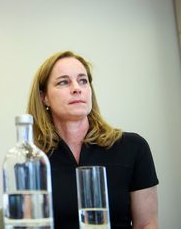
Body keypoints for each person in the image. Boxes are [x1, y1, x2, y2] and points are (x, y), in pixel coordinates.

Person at [26, 51, 159, 229]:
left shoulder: (133, 147)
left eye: (83, 81)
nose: (76, 88)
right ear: (44, 97)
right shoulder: (33, 160)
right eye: (63, 82)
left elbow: (147, 224)